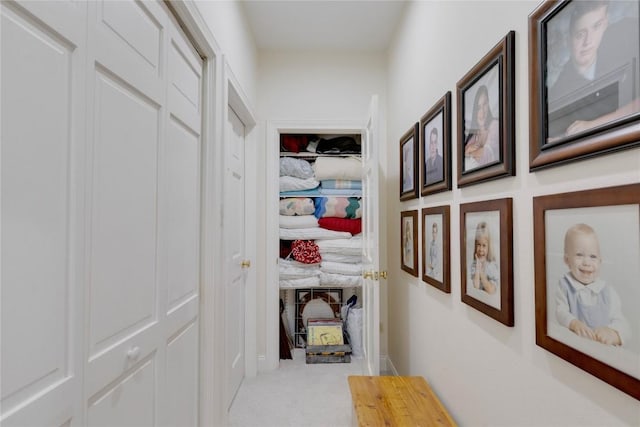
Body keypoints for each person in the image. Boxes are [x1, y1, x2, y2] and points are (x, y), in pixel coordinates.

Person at [549, 1, 640, 138]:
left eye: (596, 27)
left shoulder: (627, 35)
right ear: (568, 40)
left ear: (606, 23)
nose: (588, 41)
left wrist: (593, 125)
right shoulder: (559, 92)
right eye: (580, 34)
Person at [555, 223, 630, 346]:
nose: (587, 262)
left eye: (593, 256)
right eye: (579, 255)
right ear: (567, 260)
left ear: (600, 262)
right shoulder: (565, 285)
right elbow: (561, 311)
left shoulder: (607, 292)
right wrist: (573, 323)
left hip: (603, 351)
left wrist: (613, 333)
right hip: (578, 349)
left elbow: (623, 324)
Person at [464, 85, 498, 171]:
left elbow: (486, 155)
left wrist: (470, 151)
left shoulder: (495, 125)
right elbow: (463, 154)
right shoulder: (475, 134)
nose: (482, 111)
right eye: (479, 107)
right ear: (475, 110)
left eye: (485, 104)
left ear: (488, 103)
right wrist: (472, 151)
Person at [470, 221, 498, 295]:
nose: (481, 249)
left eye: (484, 245)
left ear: (489, 247)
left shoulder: (492, 266)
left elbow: (491, 290)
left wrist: (481, 272)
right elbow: (476, 286)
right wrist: (477, 268)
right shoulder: (474, 264)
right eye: (478, 244)